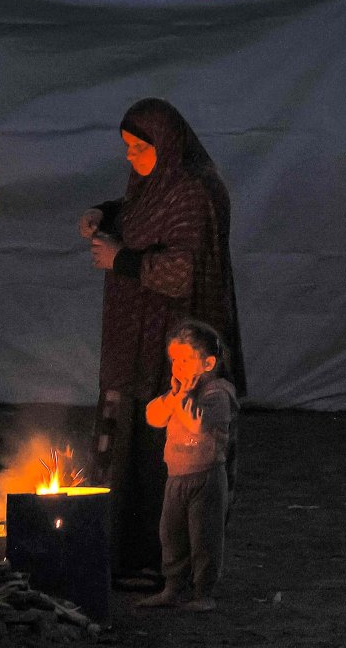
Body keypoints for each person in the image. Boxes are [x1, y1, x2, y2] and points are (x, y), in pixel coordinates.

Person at [79, 99, 243, 590]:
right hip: (136, 340)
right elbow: (137, 217)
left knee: (162, 451)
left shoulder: (192, 192)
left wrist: (121, 260)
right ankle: (128, 554)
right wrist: (105, 213)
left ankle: (161, 561)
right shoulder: (156, 187)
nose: (130, 158)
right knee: (130, 443)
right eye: (127, 148)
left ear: (165, 145)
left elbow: (181, 270)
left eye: (138, 148)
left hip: (168, 344)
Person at [138, 320, 239, 613]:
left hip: (206, 477)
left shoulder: (218, 393)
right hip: (176, 477)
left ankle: (203, 591)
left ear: (208, 363)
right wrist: (172, 397)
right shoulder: (178, 393)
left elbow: (198, 423)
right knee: (171, 534)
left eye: (186, 359)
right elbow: (153, 416)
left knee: (204, 536)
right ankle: (173, 587)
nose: (178, 366)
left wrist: (182, 397)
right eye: (175, 360)